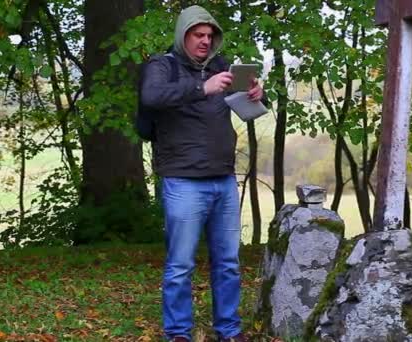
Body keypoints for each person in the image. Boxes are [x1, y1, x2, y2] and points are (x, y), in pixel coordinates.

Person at [140, 5, 263, 342]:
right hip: (182, 180)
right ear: (183, 34)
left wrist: (255, 94)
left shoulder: (222, 67)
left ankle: (229, 330)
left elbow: (246, 108)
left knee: (228, 263)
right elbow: (150, 97)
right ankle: (178, 333)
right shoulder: (162, 65)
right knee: (180, 266)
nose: (206, 41)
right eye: (198, 35)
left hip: (222, 179)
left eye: (210, 35)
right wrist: (202, 88)